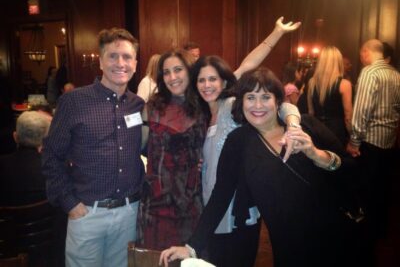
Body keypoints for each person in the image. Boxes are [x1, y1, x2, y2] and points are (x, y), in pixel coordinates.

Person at [160, 68, 356, 267]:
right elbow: (221, 194)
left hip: (336, 234)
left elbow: (351, 169)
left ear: (278, 101)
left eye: (265, 97)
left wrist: (316, 154)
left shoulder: (306, 126)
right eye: (250, 97)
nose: (258, 105)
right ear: (242, 102)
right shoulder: (239, 142)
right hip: (289, 247)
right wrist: (192, 246)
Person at [189, 17, 301, 267]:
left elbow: (278, 102)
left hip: (238, 205)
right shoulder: (202, 115)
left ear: (224, 81)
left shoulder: (232, 106)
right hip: (212, 200)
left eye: (213, 79)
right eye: (201, 80)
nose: (207, 85)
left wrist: (276, 33)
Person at [42, 27, 145, 267]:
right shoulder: (74, 101)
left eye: (127, 57)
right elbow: (51, 156)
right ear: (100, 61)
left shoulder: (138, 105)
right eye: (112, 56)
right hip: (87, 213)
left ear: (135, 63)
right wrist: (70, 203)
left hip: (129, 212)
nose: (120, 63)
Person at [139, 49, 206, 251]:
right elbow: (140, 147)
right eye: (166, 72)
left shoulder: (205, 104)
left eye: (178, 70)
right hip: (156, 203)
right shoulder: (152, 106)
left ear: (190, 71)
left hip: (191, 202)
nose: (172, 77)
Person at [346, 39, 400, 266]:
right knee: (382, 190)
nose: (361, 59)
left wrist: (354, 141)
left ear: (366, 52)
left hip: (370, 142)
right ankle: (379, 233)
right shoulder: (396, 75)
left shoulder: (369, 72)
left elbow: (362, 110)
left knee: (365, 192)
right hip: (389, 142)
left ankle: (362, 239)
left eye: (361, 55)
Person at [0, 111, 50, 206]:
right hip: (45, 219)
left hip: (9, 220)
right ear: (45, 141)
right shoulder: (56, 170)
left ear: (15, 137)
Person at [307, 46, 353, 146]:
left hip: (317, 130)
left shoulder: (312, 82)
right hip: (336, 132)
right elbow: (348, 116)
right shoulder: (344, 84)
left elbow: (311, 112)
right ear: (338, 62)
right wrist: (352, 138)